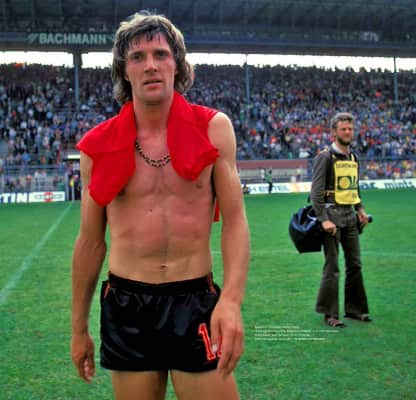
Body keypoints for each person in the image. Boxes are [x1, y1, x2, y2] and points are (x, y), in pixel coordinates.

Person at [70, 11, 250, 400]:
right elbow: (90, 242)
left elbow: (235, 221)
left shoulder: (214, 128)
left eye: (161, 54)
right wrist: (78, 328)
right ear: (124, 71)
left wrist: (231, 301)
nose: (150, 65)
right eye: (137, 57)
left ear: (177, 65)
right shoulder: (97, 147)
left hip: (195, 300)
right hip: (127, 305)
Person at [310, 112, 371, 328]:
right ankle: (330, 313)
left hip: (350, 217)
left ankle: (355, 310)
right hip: (331, 217)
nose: (348, 132)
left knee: (355, 264)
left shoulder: (353, 157)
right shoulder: (325, 157)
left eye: (350, 129)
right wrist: (323, 220)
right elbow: (316, 194)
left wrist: (360, 209)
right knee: (333, 266)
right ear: (334, 132)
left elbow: (354, 188)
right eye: (343, 129)